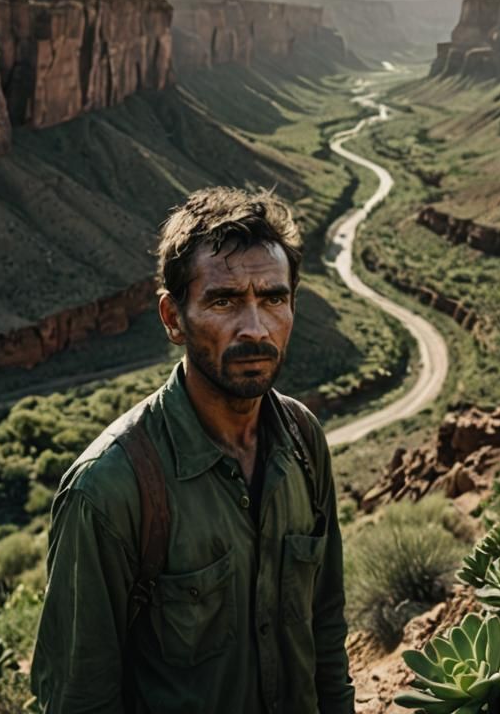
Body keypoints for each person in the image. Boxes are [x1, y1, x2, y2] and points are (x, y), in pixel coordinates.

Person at [31, 187, 355, 714]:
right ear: (173, 317)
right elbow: (79, 699)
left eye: (273, 298)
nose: (255, 327)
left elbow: (326, 630)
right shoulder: (110, 489)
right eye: (224, 300)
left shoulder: (303, 439)